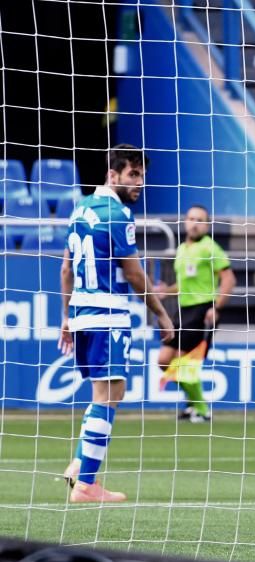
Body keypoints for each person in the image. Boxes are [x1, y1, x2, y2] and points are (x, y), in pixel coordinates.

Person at [60, 144, 175, 503]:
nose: (139, 182)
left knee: (104, 392)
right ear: (113, 175)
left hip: (80, 313)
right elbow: (135, 274)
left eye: (142, 175)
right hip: (107, 313)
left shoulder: (81, 209)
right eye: (133, 175)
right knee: (110, 394)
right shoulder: (118, 214)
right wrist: (161, 313)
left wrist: (65, 318)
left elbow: (65, 269)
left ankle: (78, 466)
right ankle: (87, 485)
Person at [154, 204, 235, 423]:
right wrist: (165, 291)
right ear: (185, 222)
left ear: (207, 225)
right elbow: (182, 285)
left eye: (200, 220)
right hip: (183, 310)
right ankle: (193, 403)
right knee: (163, 360)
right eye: (191, 218)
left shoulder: (211, 248)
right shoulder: (182, 249)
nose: (195, 223)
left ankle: (201, 409)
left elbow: (229, 279)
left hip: (203, 309)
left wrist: (216, 307)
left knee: (183, 363)